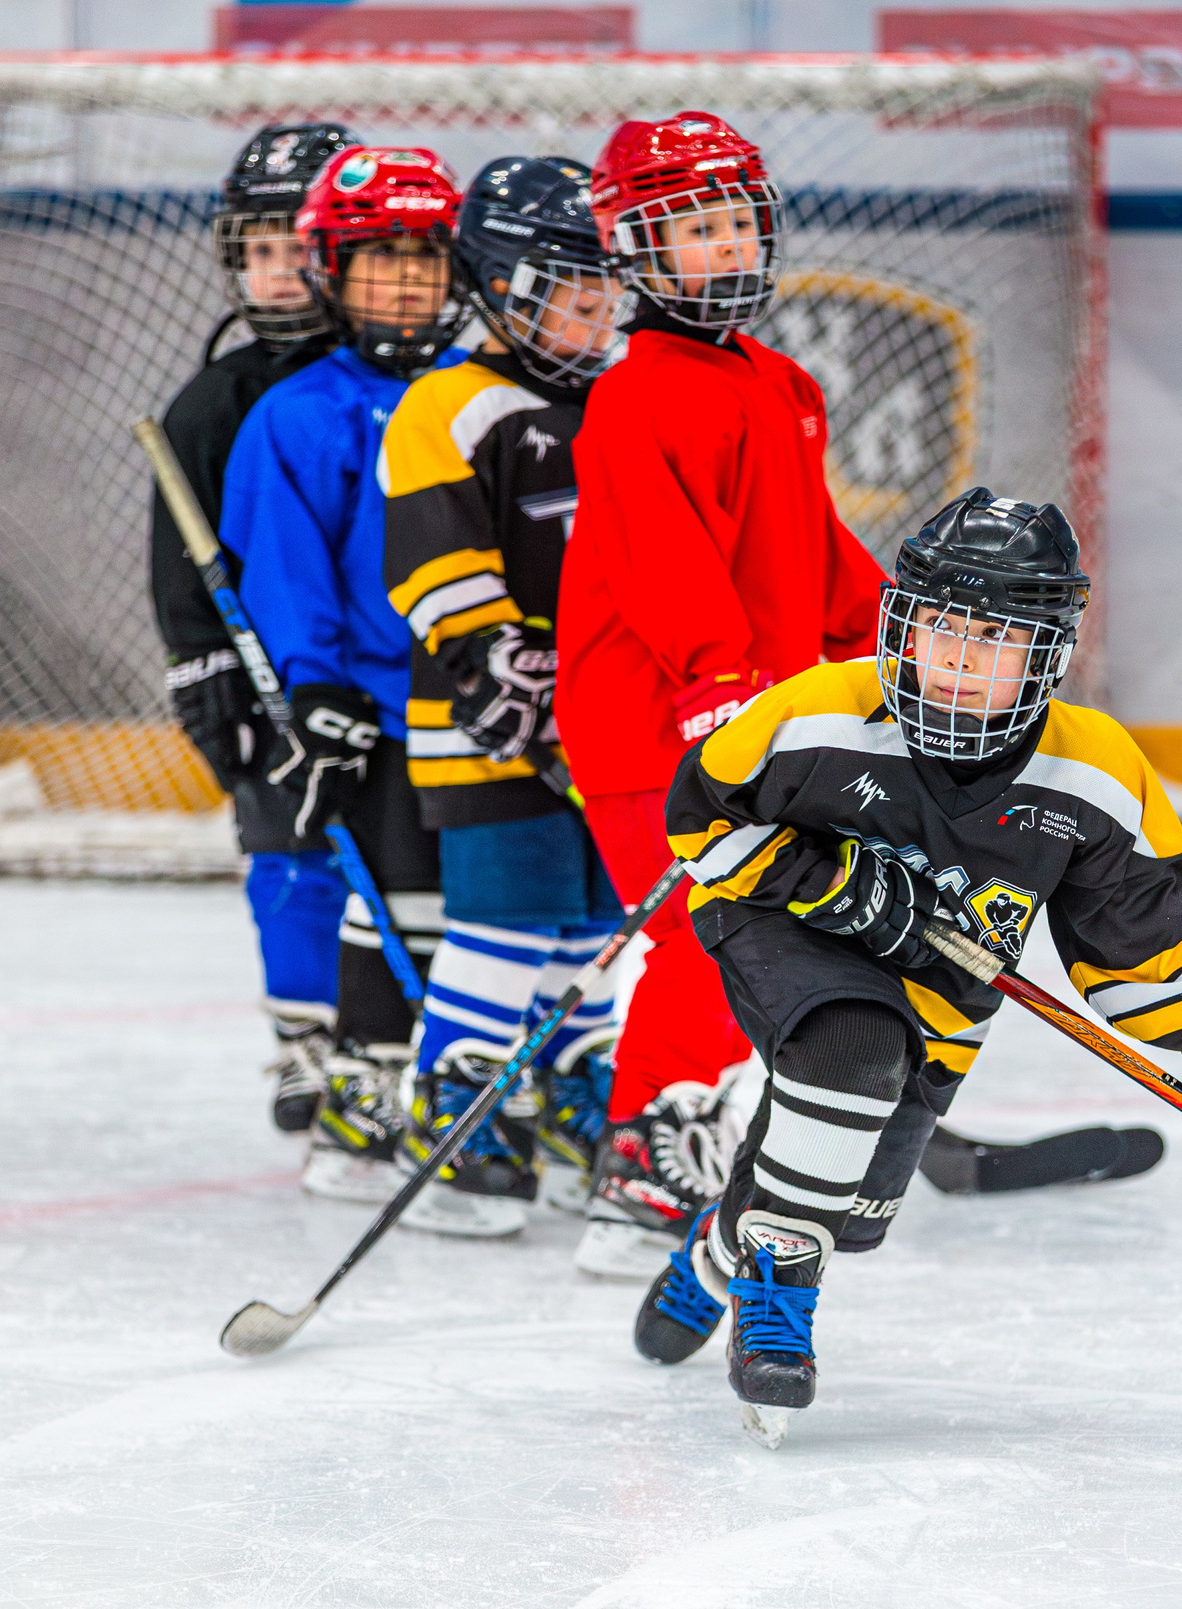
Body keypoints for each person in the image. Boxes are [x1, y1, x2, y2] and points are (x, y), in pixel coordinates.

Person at [644, 489, 1182, 1436]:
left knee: (849, 1187)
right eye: (943, 629)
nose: (963, 662)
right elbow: (698, 819)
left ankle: (721, 1252)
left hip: (945, 993)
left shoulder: (1093, 773)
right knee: (852, 1043)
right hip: (777, 921)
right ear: (904, 623)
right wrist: (828, 878)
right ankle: (778, 1289)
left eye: (998, 641)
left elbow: (1153, 954)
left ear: (1047, 656)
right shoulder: (821, 712)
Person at [553, 111, 882, 1272]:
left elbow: (813, 543)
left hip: (754, 713)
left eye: (741, 221)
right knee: (704, 933)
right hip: (655, 722)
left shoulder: (778, 381)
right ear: (636, 248)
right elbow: (660, 558)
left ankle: (709, 1107)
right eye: (697, 227)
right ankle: (640, 1155)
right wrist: (718, 682)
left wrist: (885, 635)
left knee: (755, 930)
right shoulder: (634, 393)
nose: (729, 247)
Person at [378, 156, 629, 1238]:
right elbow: (436, 570)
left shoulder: (615, 403)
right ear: (496, 285)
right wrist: (517, 683)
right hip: (487, 732)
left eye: (601, 288)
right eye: (565, 289)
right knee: (506, 918)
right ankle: (456, 1106)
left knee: (591, 923)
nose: (592, 310)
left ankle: (573, 1097)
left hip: (602, 728)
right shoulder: (451, 405)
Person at [220, 145, 470, 1205]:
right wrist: (317, 692)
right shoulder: (299, 413)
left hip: (496, 710)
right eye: (380, 258)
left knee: (504, 919)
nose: (407, 279)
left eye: (425, 256)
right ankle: (367, 1095)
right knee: (392, 913)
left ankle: (497, 1091)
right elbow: (285, 571)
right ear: (334, 267)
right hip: (380, 714)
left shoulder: (484, 397)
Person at [148, 121, 360, 1134]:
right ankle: (301, 1039)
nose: (277, 274)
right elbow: (179, 563)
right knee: (288, 849)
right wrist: (201, 670)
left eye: (298, 248)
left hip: (382, 672)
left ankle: (386, 1040)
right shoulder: (212, 403)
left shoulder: (400, 379)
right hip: (274, 677)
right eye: (259, 250)